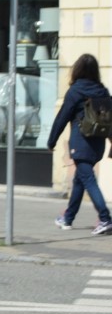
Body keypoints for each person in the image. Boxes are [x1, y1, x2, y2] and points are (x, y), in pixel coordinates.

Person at [47, 53, 112, 236]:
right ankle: (67, 218)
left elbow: (62, 117)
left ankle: (106, 218)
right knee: (79, 181)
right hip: (97, 143)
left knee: (88, 180)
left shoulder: (76, 91)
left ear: (77, 70)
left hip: (81, 143)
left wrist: (52, 140)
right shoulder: (103, 91)